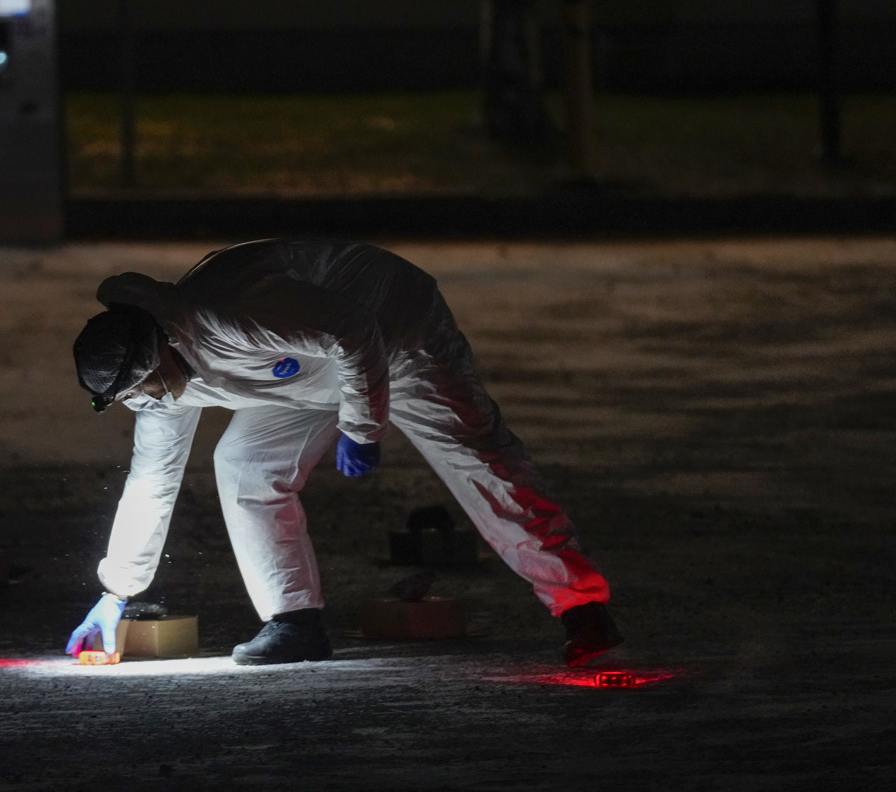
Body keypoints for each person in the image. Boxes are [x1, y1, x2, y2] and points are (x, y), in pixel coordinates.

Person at [65, 239, 621, 666]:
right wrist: (117, 590)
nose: (142, 402)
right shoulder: (156, 388)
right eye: (127, 398)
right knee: (245, 463)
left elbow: (353, 332)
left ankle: (582, 607)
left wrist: (362, 427)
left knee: (477, 460)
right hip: (305, 375)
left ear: (159, 352)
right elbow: (152, 477)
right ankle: (294, 622)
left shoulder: (228, 318)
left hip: (396, 329)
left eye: (142, 389)